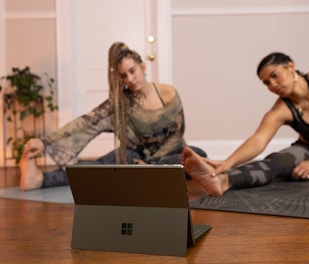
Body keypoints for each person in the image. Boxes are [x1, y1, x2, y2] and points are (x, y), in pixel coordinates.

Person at [20, 42, 207, 191]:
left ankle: (150, 172)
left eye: (132, 71)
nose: (130, 79)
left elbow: (176, 135)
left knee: (198, 155)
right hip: (135, 157)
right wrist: (45, 142)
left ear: (142, 66)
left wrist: (150, 165)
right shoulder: (120, 103)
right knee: (101, 167)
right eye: (123, 76)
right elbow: (85, 123)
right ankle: (40, 179)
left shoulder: (168, 93)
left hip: (168, 154)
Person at [182, 52, 309, 196]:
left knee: (306, 167)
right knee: (276, 162)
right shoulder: (280, 110)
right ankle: (224, 180)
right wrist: (227, 164)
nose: (272, 85)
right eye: (266, 83)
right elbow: (258, 140)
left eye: (275, 75)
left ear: (291, 66)